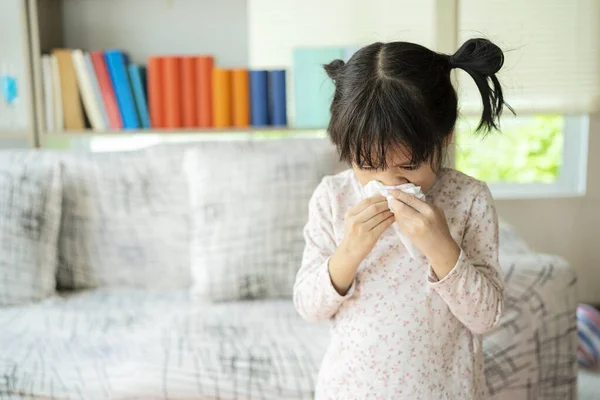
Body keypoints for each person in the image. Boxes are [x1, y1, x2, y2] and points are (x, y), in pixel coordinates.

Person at [293, 38, 510, 399]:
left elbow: (486, 317)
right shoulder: (332, 198)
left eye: (408, 168)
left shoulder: (469, 200)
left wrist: (441, 247)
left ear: (444, 138)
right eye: (367, 166)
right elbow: (308, 307)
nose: (389, 183)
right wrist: (350, 250)